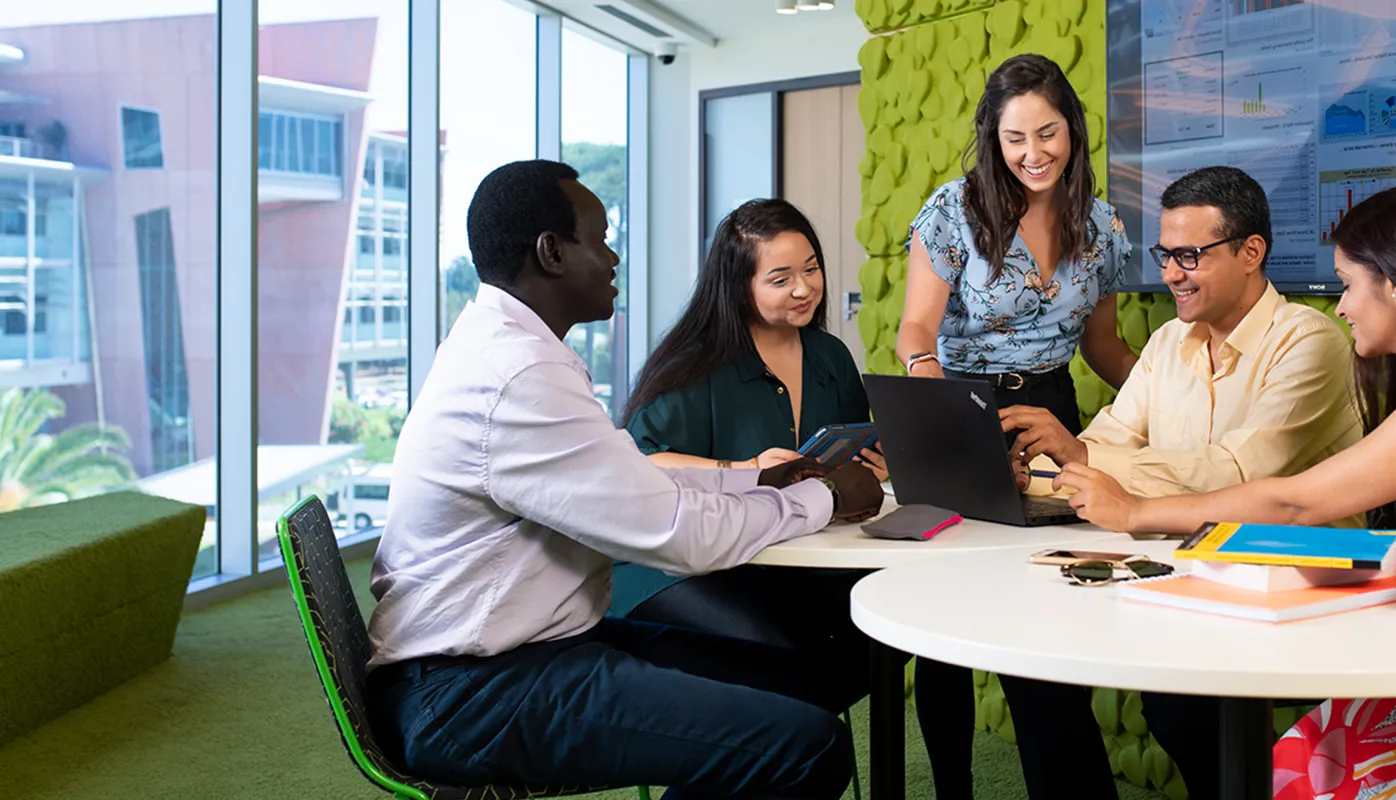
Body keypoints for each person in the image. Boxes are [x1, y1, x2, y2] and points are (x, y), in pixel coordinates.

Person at [362, 159, 885, 799]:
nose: (613, 259)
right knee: (807, 752)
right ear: (552, 252)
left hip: (538, 647)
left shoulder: (515, 349)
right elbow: (678, 533)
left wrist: (759, 482)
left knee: (805, 683)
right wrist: (823, 495)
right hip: (472, 687)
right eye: (600, 238)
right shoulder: (517, 377)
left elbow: (634, 482)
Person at [1057, 185, 1396, 800]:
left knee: (1309, 770)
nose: (1340, 307)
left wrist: (1135, 511)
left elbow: (1296, 500)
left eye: (1346, 284)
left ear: (1393, 284)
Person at [996, 165, 1365, 796]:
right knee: (1029, 659)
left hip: (1290, 571)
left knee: (1179, 701)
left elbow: (1246, 473)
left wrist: (1085, 461)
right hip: (1171, 561)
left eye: (1189, 255)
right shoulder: (1168, 342)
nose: (1171, 273)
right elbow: (1109, 441)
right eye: (1166, 254)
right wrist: (1043, 463)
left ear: (1253, 253)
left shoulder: (1311, 340)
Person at [892, 52, 1135, 800]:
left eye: (1048, 133)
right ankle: (955, 789)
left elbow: (1103, 345)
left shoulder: (1101, 225)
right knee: (946, 622)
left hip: (1052, 412)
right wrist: (940, 411)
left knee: (1048, 605)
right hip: (958, 407)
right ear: (994, 141)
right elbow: (914, 330)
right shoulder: (952, 211)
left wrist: (1169, 400)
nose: (1034, 154)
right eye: (1015, 139)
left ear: (1074, 130)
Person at [612, 197, 888, 696]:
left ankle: (790, 750)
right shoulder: (695, 364)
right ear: (740, 289)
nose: (804, 289)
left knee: (877, 638)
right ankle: (778, 752)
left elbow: (841, 461)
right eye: (781, 280)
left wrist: (872, 466)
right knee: (785, 661)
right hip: (676, 565)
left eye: (811, 269)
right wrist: (746, 467)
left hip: (785, 557)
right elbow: (640, 461)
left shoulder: (831, 357)